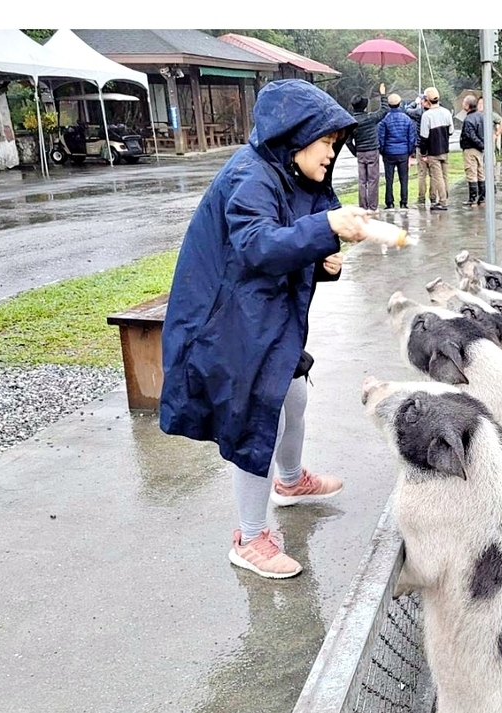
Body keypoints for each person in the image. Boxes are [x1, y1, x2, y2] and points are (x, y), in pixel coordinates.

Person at [158, 79, 372, 580]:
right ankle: (250, 537)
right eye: (327, 142)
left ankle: (291, 481)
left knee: (293, 395)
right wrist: (327, 231)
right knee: (259, 417)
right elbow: (257, 245)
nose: (332, 153)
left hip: (264, 312)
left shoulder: (291, 174)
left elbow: (286, 244)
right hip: (226, 320)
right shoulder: (250, 176)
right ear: (298, 135)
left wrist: (322, 261)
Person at [377, 92, 418, 209]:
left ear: (389, 105)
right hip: (403, 152)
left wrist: (383, 151)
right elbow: (411, 137)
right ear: (400, 104)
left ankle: (389, 202)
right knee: (404, 178)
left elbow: (381, 137)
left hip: (389, 153)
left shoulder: (384, 120)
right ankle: (404, 202)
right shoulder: (407, 119)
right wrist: (410, 152)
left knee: (389, 179)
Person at [346, 94, 386, 212]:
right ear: (364, 107)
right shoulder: (370, 118)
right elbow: (384, 110)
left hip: (360, 152)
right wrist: (383, 95)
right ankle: (372, 207)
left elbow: (348, 141)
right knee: (373, 180)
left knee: (362, 181)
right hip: (372, 151)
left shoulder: (351, 121)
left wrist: (356, 152)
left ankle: (363, 206)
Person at [419, 87, 453, 210]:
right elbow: (451, 131)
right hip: (444, 148)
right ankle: (446, 197)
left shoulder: (427, 116)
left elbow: (424, 137)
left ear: (427, 100)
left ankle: (443, 202)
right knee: (445, 175)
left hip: (433, 151)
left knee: (437, 177)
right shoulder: (447, 112)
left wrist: (423, 153)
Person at [459, 94, 486, 208]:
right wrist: (482, 145)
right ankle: (482, 198)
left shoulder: (468, 119)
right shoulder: (481, 116)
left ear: (467, 105)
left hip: (470, 149)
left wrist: (479, 144)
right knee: (481, 173)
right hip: (479, 150)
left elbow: (470, 135)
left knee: (471, 173)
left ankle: (473, 198)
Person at [406, 94, 432, 205]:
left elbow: (407, 110)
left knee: (422, 173)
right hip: (433, 146)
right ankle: (433, 196)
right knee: (433, 173)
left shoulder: (419, 112)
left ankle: (421, 198)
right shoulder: (436, 111)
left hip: (420, 145)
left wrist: (415, 102)